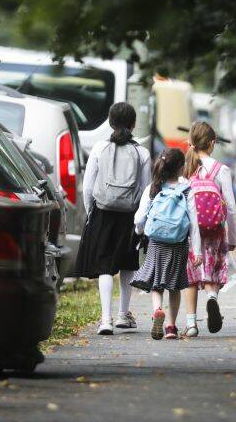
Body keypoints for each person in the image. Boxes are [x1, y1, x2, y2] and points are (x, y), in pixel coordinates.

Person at [75, 102, 151, 335]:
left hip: (103, 213)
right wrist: (141, 219)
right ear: (133, 124)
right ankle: (123, 315)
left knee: (105, 266)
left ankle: (105, 319)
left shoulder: (99, 148)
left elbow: (88, 187)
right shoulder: (142, 152)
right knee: (128, 264)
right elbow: (145, 188)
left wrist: (92, 213)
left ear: (110, 122)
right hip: (130, 215)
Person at [131, 149, 201, 340]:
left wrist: (140, 231)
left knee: (156, 284)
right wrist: (198, 251)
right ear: (181, 167)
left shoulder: (153, 188)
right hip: (178, 243)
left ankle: (157, 310)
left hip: (156, 242)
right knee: (175, 286)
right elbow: (194, 223)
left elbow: (139, 218)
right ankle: (171, 327)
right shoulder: (187, 189)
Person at [182, 122, 236, 337]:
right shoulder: (221, 170)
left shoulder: (186, 168)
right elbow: (231, 208)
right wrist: (232, 238)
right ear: (213, 143)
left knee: (191, 276)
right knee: (211, 271)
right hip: (215, 230)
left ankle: (191, 324)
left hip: (191, 232)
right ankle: (212, 299)